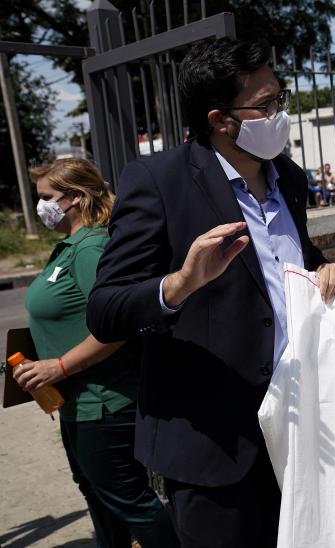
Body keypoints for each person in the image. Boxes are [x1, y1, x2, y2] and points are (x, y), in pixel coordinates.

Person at [86, 38, 335, 547]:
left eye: (281, 99)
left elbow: (287, 263)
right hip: (214, 445)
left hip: (301, 431)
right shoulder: (159, 180)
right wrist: (180, 284)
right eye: (267, 105)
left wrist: (324, 268)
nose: (280, 115)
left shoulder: (289, 179)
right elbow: (105, 310)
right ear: (221, 119)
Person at [13, 158, 178, 548]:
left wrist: (59, 365)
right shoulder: (70, 247)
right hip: (75, 401)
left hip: (103, 402)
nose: (41, 207)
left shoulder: (91, 249)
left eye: (47, 198)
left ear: (74, 198)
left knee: (130, 500)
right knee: (97, 493)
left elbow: (117, 325)